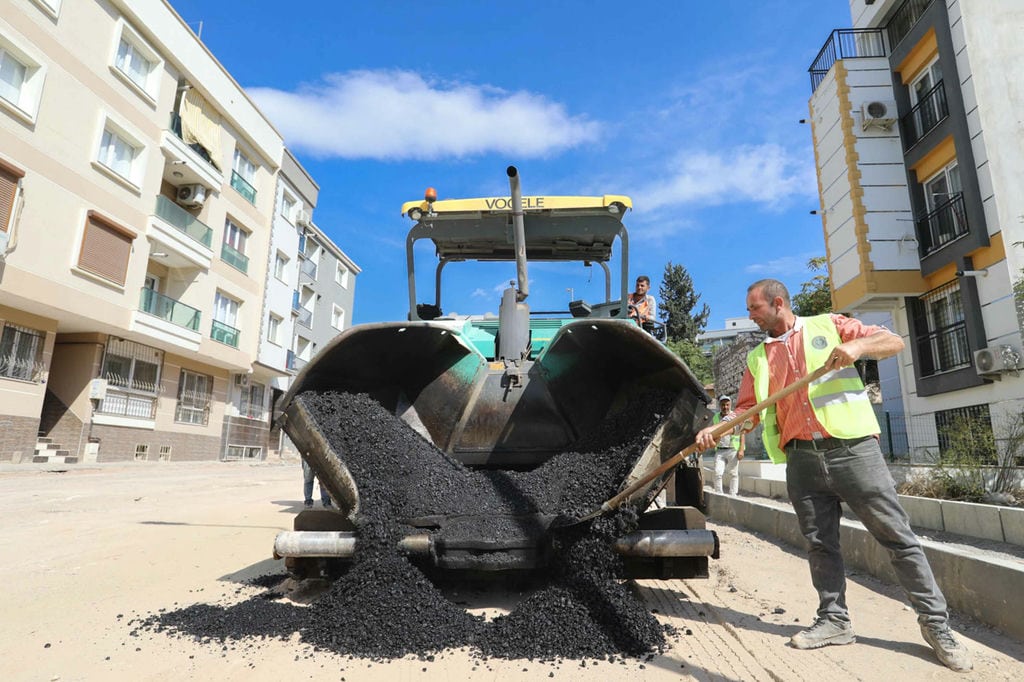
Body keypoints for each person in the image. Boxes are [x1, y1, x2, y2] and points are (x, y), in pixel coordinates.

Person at [695, 278, 971, 673]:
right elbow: (747, 411)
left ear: (777, 303)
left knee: (898, 538)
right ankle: (834, 621)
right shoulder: (758, 357)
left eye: (755, 308)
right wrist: (718, 429)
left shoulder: (829, 325)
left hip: (854, 451)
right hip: (801, 459)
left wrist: (858, 347)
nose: (750, 315)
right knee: (820, 545)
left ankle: (936, 625)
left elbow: (893, 341)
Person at [711, 395, 744, 495]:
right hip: (720, 450)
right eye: (723, 405)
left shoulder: (735, 416)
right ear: (720, 405)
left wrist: (741, 449)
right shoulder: (716, 417)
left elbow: (742, 432)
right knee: (717, 472)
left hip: (733, 449)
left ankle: (733, 495)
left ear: (730, 405)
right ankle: (719, 494)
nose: (725, 407)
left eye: (727, 405)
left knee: (733, 474)